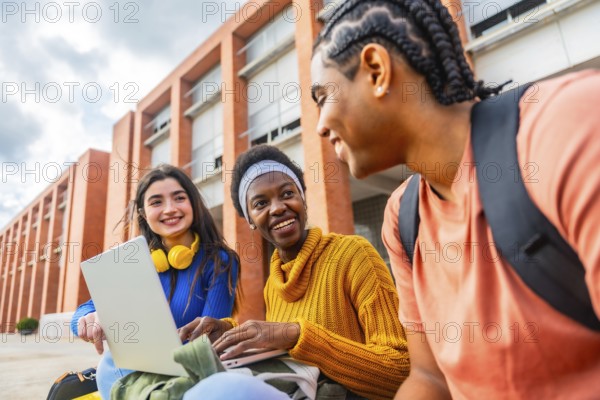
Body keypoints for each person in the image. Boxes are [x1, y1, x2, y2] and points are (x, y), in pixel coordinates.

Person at [310, 0, 600, 399]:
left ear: (376, 70)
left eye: (323, 96)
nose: (321, 125)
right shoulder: (402, 216)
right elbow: (431, 379)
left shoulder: (568, 125)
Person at [179, 144, 410, 400]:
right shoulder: (273, 285)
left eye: (287, 193)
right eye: (260, 203)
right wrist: (230, 333)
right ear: (252, 221)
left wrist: (298, 335)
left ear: (303, 199)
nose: (277, 208)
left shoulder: (353, 254)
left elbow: (401, 371)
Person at [71, 164, 240, 399]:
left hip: (189, 377)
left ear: (193, 204)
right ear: (142, 212)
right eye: (156, 202)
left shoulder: (219, 261)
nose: (170, 209)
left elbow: (207, 343)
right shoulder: (133, 261)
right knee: (109, 364)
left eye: (179, 198)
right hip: (134, 375)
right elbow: (83, 311)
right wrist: (92, 318)